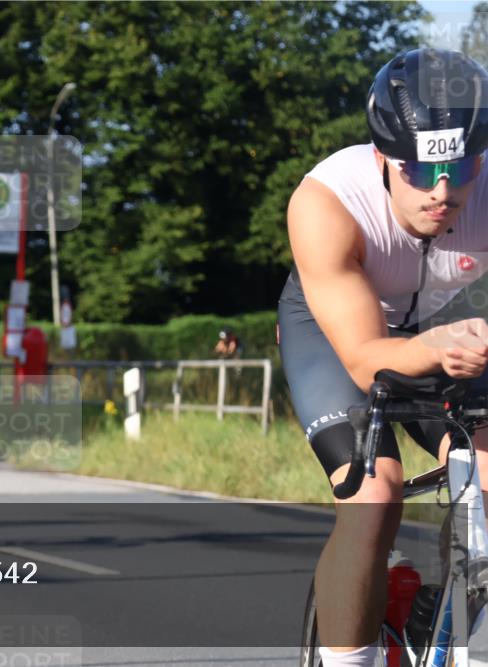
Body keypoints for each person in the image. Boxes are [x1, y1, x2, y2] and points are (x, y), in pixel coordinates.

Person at [278, 48, 488, 665]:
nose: (443, 192)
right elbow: (367, 360)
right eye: (419, 172)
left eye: (461, 168)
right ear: (382, 160)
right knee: (373, 496)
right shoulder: (327, 202)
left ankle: (451, 619)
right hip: (338, 335)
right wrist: (436, 346)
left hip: (442, 322)